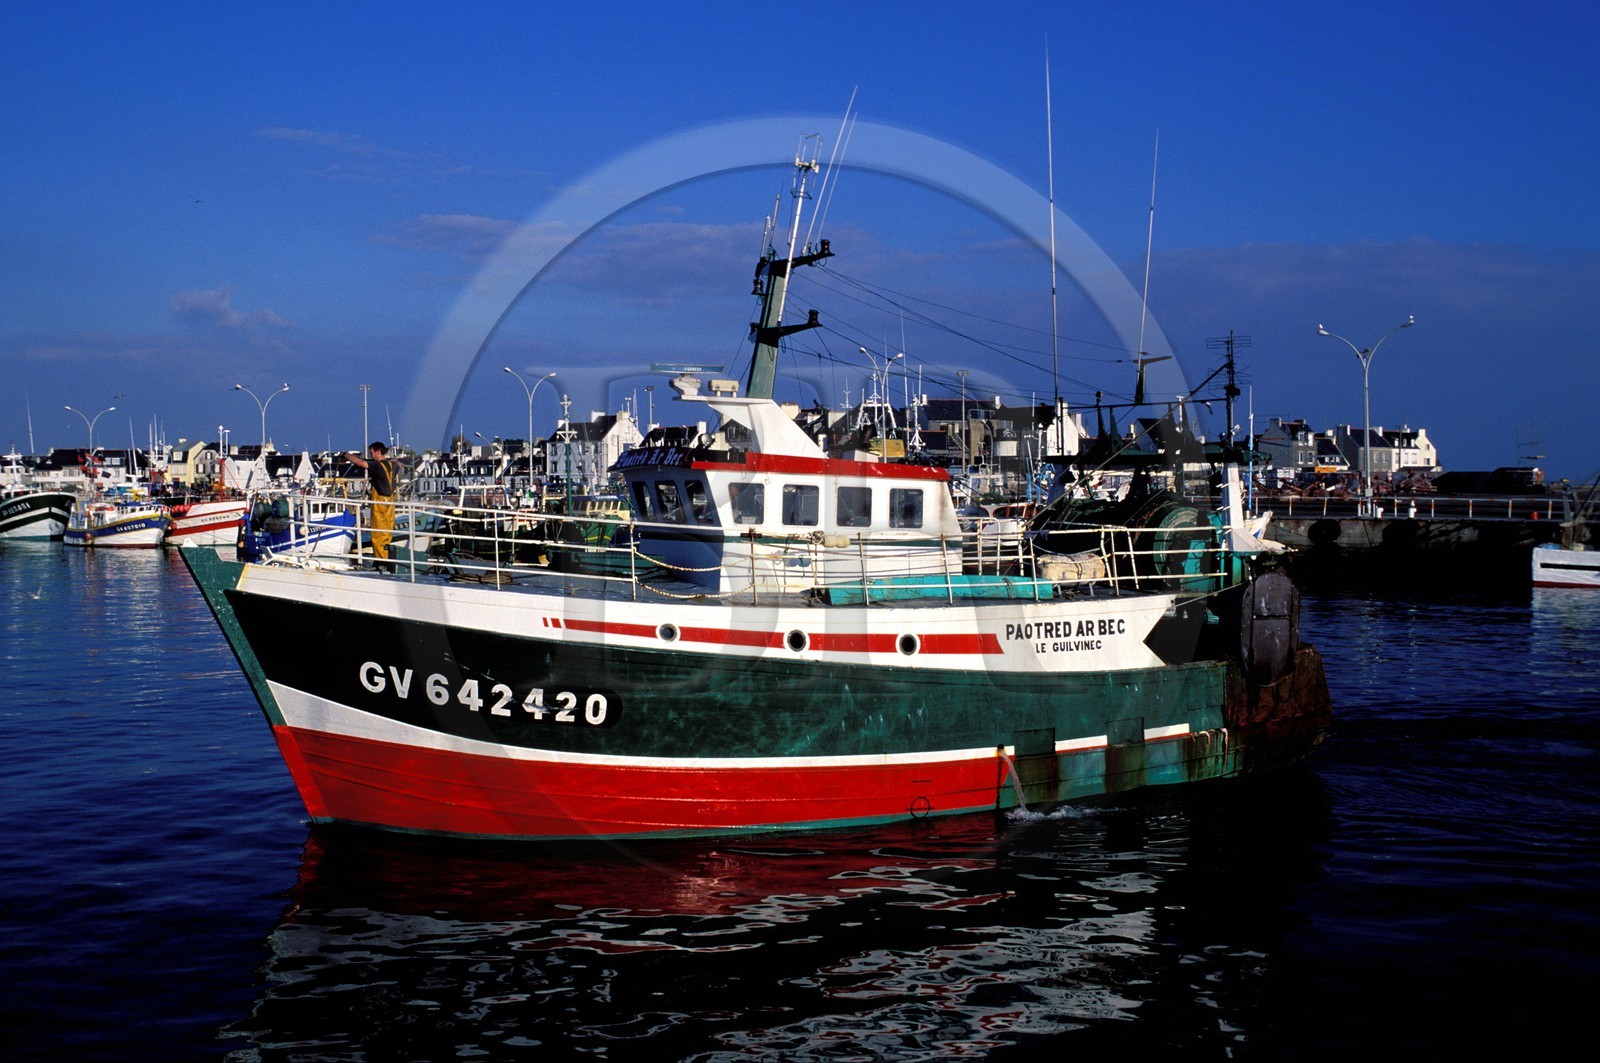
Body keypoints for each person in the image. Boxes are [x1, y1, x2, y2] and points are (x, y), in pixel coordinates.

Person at [345, 442, 398, 570]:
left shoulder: (377, 465)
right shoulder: (392, 465)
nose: (371, 455)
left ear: (378, 451)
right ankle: (386, 558)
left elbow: (361, 463)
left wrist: (345, 455)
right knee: (387, 533)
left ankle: (381, 561)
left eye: (372, 453)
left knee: (378, 533)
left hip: (380, 502)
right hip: (390, 502)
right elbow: (398, 463)